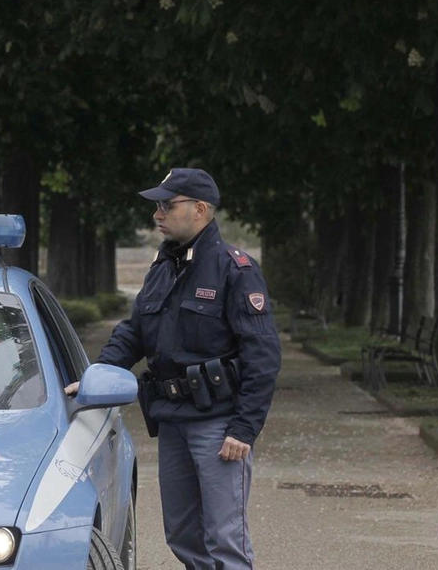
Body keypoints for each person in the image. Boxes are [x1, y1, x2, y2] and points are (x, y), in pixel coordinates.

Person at [68, 169, 281, 570]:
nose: (158, 214)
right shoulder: (164, 267)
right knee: (181, 533)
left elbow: (263, 355)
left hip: (218, 426)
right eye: (157, 206)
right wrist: (97, 375)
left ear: (200, 209)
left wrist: (243, 428)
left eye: (168, 205)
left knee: (225, 538)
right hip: (173, 420)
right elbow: (134, 332)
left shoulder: (234, 269)